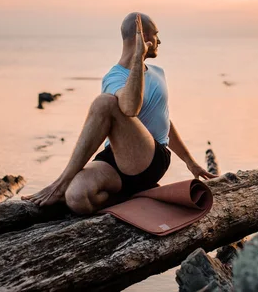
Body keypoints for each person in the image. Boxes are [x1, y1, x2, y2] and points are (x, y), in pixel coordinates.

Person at [22, 12, 216, 214]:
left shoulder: (158, 73)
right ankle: (127, 196)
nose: (160, 40)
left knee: (104, 103)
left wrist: (190, 162)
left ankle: (60, 183)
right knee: (76, 198)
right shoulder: (113, 77)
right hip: (115, 160)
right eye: (156, 35)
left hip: (151, 158)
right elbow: (130, 106)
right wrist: (137, 60)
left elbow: (163, 121)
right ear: (141, 38)